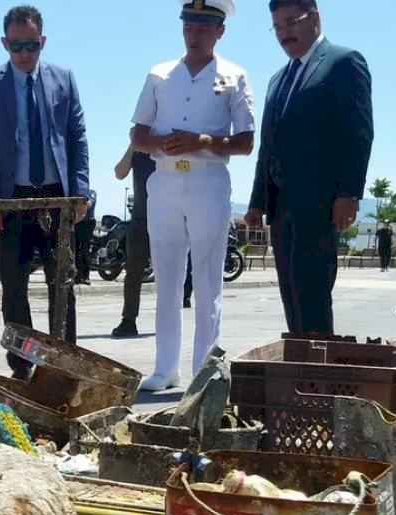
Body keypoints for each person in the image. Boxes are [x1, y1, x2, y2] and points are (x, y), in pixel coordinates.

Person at [132, 0, 255, 391]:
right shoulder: (159, 74)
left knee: (207, 279)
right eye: (189, 23)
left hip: (207, 180)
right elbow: (138, 135)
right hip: (165, 180)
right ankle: (165, 367)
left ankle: (205, 371)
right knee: (166, 277)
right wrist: (164, 143)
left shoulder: (234, 76)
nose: (194, 31)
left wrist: (202, 141)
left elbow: (246, 141)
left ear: (220, 30)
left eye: (204, 25)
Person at [0, 4, 90, 380]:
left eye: (31, 46)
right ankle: (22, 370)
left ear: (43, 41)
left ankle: (63, 369)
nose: (24, 54)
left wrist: (80, 192)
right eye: (16, 46)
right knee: (14, 290)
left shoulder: (64, 79)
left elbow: (77, 136)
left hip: (57, 200)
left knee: (62, 285)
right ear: (5, 43)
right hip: (11, 203)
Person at [245, 0, 374, 337]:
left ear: (314, 17)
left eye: (291, 23)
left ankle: (319, 373)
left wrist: (349, 193)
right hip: (281, 207)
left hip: (319, 203)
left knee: (312, 293)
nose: (284, 34)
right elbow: (268, 146)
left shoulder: (343, 62)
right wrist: (257, 202)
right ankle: (301, 371)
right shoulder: (278, 80)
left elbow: (358, 132)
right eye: (277, 27)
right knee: (291, 293)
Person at [111, 141, 156, 338]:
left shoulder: (166, 146)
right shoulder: (138, 150)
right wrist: (133, 144)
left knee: (169, 275)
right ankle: (128, 320)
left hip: (167, 218)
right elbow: (119, 173)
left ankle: (168, 320)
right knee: (133, 274)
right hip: (139, 219)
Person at [75, 190, 97, 285]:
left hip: (87, 222)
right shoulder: (76, 192)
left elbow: (89, 204)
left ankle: (85, 276)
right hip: (76, 221)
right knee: (75, 249)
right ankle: (77, 276)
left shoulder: (91, 192)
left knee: (85, 249)